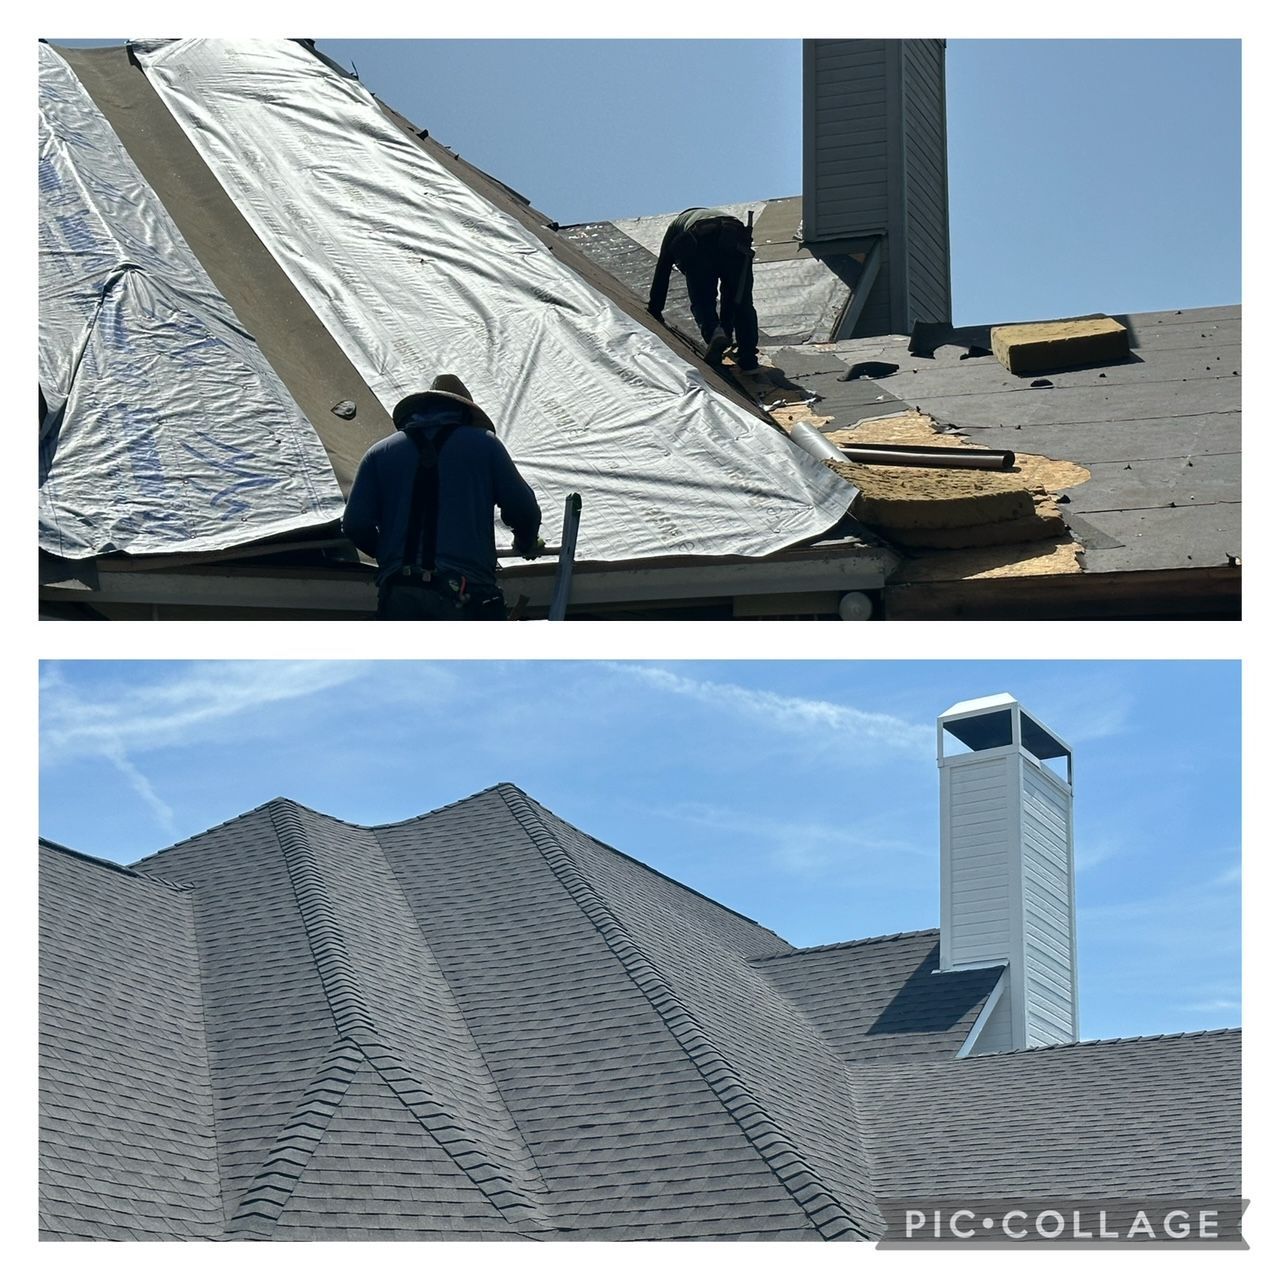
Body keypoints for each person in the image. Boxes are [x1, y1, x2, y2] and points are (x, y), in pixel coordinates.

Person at [343, 374, 542, 619]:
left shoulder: (379, 453)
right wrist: (525, 542)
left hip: (400, 594)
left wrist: (389, 555)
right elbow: (523, 510)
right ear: (465, 413)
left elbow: (354, 524)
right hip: (468, 593)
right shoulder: (485, 445)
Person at [647, 207, 760, 373]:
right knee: (740, 299)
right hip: (736, 237)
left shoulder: (676, 225)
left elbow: (663, 266)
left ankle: (715, 332)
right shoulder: (716, 213)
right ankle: (748, 356)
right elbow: (731, 300)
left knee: (703, 298)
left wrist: (655, 308)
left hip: (701, 240)